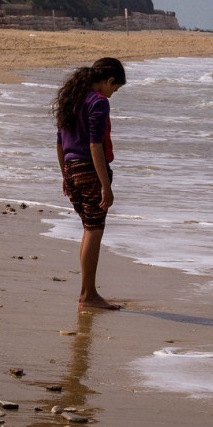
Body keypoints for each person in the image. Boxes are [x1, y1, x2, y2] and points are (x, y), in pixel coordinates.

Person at [51, 57, 126, 310]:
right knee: (94, 230)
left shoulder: (71, 99)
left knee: (88, 228)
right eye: (115, 89)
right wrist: (106, 185)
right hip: (90, 170)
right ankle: (88, 294)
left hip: (71, 170)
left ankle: (88, 292)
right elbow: (95, 145)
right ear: (109, 80)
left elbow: (60, 143)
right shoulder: (98, 102)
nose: (112, 94)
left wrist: (65, 175)